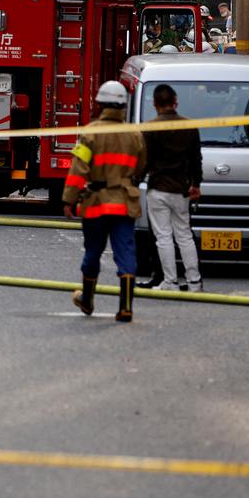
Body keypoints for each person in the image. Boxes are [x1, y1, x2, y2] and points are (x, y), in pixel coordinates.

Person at [63, 80, 147, 323]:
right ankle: (126, 308)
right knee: (125, 253)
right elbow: (141, 166)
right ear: (123, 105)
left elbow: (78, 170)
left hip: (96, 203)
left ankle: (87, 299)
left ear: (100, 104)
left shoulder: (90, 133)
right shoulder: (135, 135)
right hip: (124, 202)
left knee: (93, 252)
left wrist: (68, 200)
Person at [139, 85, 203, 292]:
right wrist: (196, 184)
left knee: (163, 237)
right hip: (181, 188)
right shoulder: (189, 127)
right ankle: (194, 281)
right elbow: (196, 160)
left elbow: (145, 161)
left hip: (158, 187)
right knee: (184, 235)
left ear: (155, 104)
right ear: (175, 102)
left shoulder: (149, 128)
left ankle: (170, 281)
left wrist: (134, 181)